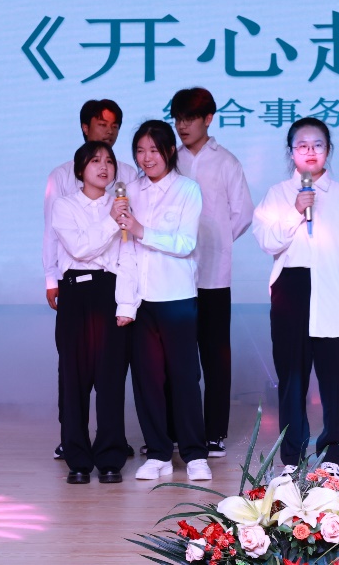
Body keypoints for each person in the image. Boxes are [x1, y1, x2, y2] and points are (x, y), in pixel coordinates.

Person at [252, 118, 339, 471]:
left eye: (318, 144)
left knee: (336, 381)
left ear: (328, 150)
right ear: (291, 152)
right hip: (291, 289)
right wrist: (295, 210)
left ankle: (333, 456)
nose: (310, 151)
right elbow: (267, 241)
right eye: (302, 145)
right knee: (292, 380)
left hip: (334, 290)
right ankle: (292, 456)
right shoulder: (278, 194)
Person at [114, 120, 211, 482]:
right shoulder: (129, 192)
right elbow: (125, 251)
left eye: (154, 150)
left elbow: (185, 243)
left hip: (176, 297)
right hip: (142, 301)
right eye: (140, 151)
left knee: (184, 377)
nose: (146, 157)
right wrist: (126, 304)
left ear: (170, 151)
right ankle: (158, 453)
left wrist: (142, 230)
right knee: (147, 380)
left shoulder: (187, 189)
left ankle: (195, 453)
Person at [171, 87, 254, 458]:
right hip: (174, 276)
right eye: (178, 118)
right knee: (178, 358)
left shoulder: (226, 162)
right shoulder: (170, 158)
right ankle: (179, 430)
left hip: (213, 276)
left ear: (208, 119)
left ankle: (215, 432)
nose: (182, 125)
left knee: (215, 356)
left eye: (190, 118)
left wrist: (217, 242)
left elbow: (243, 212)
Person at [44, 99, 124, 463]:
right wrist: (111, 222)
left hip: (110, 291)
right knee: (73, 377)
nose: (104, 167)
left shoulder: (121, 204)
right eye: (95, 161)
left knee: (110, 378)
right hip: (75, 292)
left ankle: (110, 455)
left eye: (109, 162)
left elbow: (125, 255)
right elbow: (78, 248)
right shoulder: (65, 205)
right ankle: (76, 456)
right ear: (80, 170)